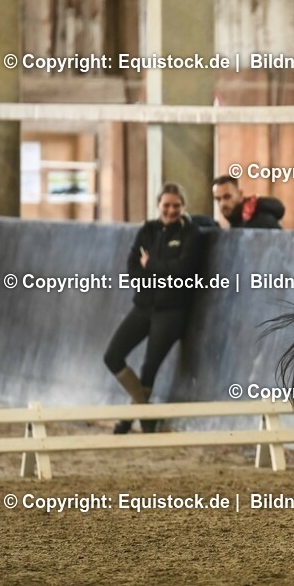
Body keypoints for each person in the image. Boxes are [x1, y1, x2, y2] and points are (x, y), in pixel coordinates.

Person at [104, 183, 203, 433]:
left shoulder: (191, 234)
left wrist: (152, 265)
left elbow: (183, 271)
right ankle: (145, 416)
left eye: (176, 206)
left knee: (149, 368)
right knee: (112, 356)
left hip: (171, 311)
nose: (171, 210)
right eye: (166, 205)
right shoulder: (147, 230)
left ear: (183, 206)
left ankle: (132, 421)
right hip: (144, 305)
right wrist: (157, 270)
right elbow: (133, 267)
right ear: (158, 205)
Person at [212, 175, 285, 228]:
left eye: (227, 197)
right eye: (218, 199)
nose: (222, 204)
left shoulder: (260, 220)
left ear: (240, 195)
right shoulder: (236, 222)